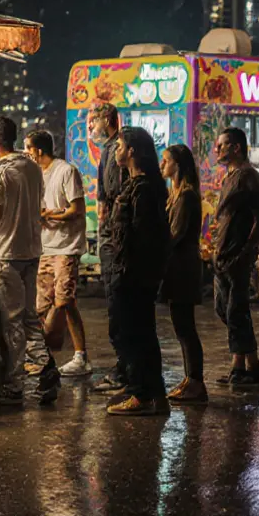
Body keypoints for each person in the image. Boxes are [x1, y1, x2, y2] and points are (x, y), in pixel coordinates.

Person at [0, 116, 59, 407]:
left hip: (6, 252)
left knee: (12, 321)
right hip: (31, 249)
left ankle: (14, 385)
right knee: (29, 317)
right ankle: (46, 366)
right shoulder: (32, 166)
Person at [106, 127, 172, 415]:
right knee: (137, 331)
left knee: (133, 333)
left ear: (132, 151)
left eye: (119, 145)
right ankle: (147, 389)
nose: (115, 150)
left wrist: (130, 274)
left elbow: (144, 236)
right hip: (131, 270)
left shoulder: (144, 188)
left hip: (134, 273)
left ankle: (141, 394)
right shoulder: (135, 184)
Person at [24, 129, 91, 377]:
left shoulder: (65, 171)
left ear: (39, 150)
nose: (27, 153)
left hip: (66, 247)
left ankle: (78, 356)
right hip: (45, 247)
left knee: (62, 300)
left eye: (28, 148)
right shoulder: (36, 175)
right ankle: (51, 358)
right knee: (42, 305)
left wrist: (48, 214)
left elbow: (76, 209)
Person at [211, 127, 259, 387]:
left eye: (222, 145)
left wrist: (247, 250)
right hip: (223, 254)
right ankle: (250, 363)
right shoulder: (231, 177)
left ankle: (242, 366)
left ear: (236, 147)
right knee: (224, 308)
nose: (217, 150)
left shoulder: (249, 177)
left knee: (236, 310)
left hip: (237, 255)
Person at [160, 144, 206, 404]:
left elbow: (175, 234)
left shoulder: (187, 196)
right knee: (181, 325)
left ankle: (196, 382)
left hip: (184, 266)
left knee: (185, 326)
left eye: (166, 161)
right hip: (177, 265)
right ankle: (191, 379)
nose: (162, 165)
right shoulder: (174, 194)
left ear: (177, 165)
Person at [88, 103, 129, 394]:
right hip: (110, 236)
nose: (90, 128)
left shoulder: (118, 151)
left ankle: (125, 371)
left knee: (119, 306)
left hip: (115, 239)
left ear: (109, 121)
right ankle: (124, 367)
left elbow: (114, 198)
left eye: (94, 122)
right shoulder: (108, 151)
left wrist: (111, 234)